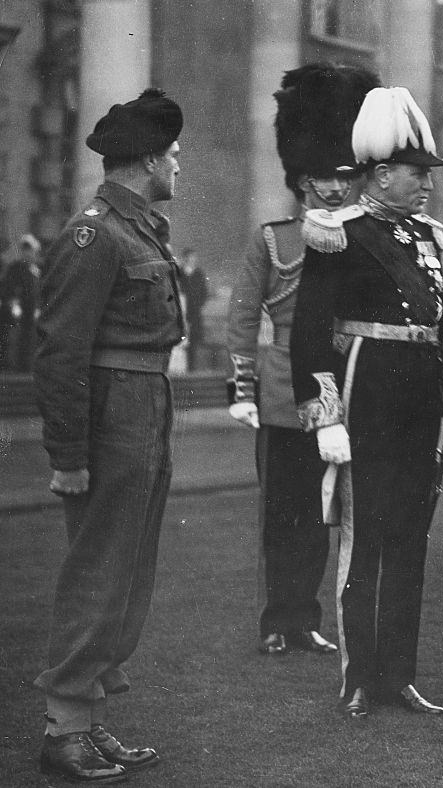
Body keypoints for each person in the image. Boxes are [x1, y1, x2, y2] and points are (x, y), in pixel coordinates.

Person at [290, 86, 443, 718]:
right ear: (383, 173)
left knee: (409, 540)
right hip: (366, 393)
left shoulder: (426, 236)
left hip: (421, 398)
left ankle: (398, 676)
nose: (428, 184)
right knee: (364, 538)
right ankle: (359, 679)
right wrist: (326, 417)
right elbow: (310, 332)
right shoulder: (338, 233)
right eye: (417, 173)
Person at [33, 88, 184, 783]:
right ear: (148, 160)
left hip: (145, 407)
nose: (178, 166)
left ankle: (88, 723)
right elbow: (60, 352)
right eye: (172, 155)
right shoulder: (94, 235)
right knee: (98, 571)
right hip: (111, 416)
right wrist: (68, 456)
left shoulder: (141, 229)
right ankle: (63, 731)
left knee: (126, 574)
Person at [227, 63, 379, 657]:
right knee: (281, 512)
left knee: (323, 513)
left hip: (341, 394)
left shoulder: (361, 239)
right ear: (301, 179)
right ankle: (275, 619)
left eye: (344, 176)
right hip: (279, 397)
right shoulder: (273, 239)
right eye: (322, 178)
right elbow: (243, 319)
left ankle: (305, 618)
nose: (335, 189)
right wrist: (242, 390)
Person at [0, 233, 42, 371]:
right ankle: (14, 368)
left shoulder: (37, 270)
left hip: (32, 311)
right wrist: (14, 305)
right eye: (25, 250)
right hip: (18, 311)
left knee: (31, 339)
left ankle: (26, 367)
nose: (27, 253)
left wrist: (39, 308)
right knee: (15, 338)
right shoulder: (15, 268)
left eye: (30, 250)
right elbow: (8, 289)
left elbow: (40, 292)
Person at [179, 247, 209, 371]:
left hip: (195, 312)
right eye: (190, 257)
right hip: (181, 312)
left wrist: (198, 305)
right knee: (181, 339)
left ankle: (192, 368)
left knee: (194, 340)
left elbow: (204, 293)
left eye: (194, 257)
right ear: (185, 258)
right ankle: (181, 367)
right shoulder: (179, 273)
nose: (192, 260)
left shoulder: (199, 274)